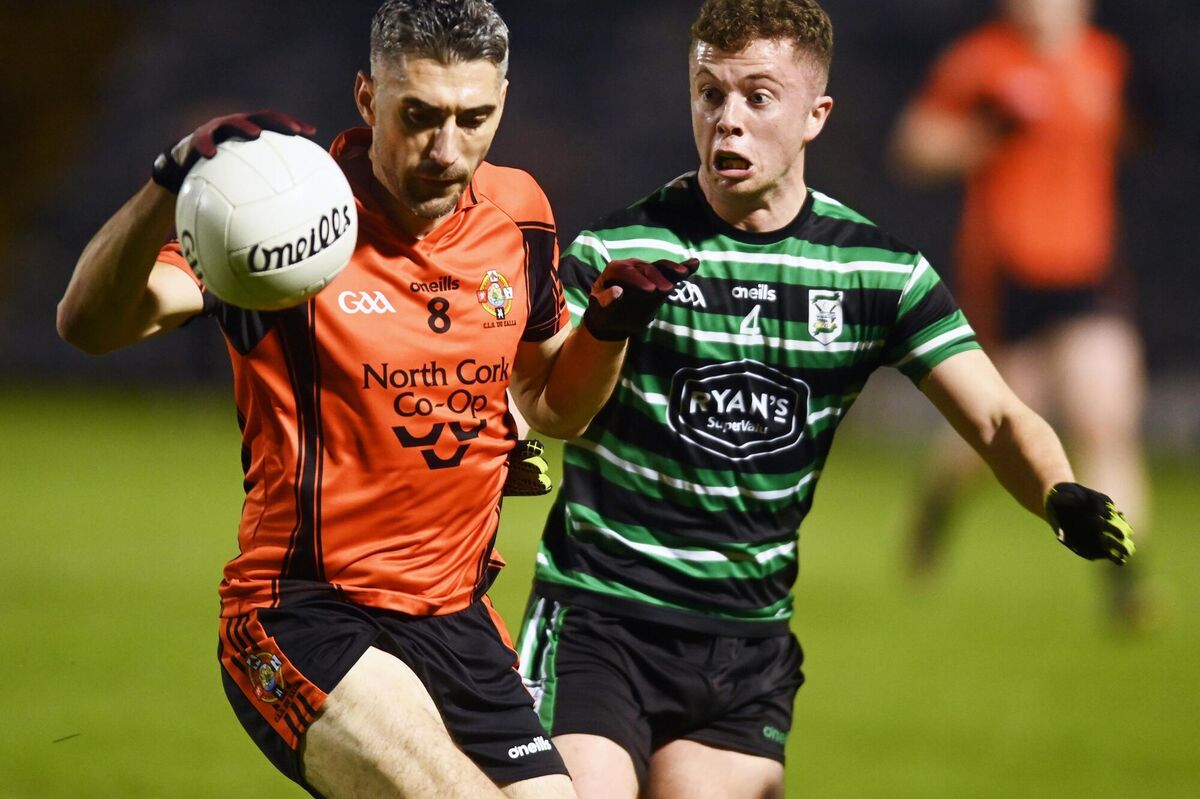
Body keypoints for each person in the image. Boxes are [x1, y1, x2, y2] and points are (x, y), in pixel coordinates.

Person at [55, 1, 696, 797]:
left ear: (503, 99)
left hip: (458, 621)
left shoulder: (520, 214)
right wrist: (170, 180)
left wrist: (608, 326)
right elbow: (88, 324)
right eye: (419, 115)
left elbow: (553, 405)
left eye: (474, 117)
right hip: (305, 612)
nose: (446, 148)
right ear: (367, 98)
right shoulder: (288, 215)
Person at [514, 1, 1136, 797]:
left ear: (816, 115)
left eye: (757, 97)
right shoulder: (622, 250)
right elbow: (553, 411)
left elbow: (995, 414)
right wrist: (606, 323)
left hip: (743, 644)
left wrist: (1056, 491)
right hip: (601, 620)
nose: (727, 121)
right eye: (710, 93)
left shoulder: (879, 273)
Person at [889, 0, 1153, 629]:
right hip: (1007, 273)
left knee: (1103, 419)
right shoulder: (982, 60)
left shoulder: (1107, 62)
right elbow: (914, 148)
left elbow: (1128, 137)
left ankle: (1127, 582)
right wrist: (982, 134)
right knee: (998, 424)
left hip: (1088, 272)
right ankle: (935, 510)